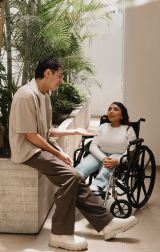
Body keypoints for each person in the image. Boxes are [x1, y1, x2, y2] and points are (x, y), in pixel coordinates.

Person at [9, 56, 138, 251]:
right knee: (71, 176)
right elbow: (31, 136)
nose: (61, 80)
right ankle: (60, 233)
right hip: (28, 150)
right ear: (47, 73)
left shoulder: (43, 95)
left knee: (76, 176)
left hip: (38, 146)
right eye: (59, 76)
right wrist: (59, 154)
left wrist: (75, 131)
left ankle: (107, 224)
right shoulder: (26, 95)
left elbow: (47, 131)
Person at [76, 102, 136, 192]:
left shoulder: (128, 129)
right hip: (100, 153)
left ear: (122, 115)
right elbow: (93, 146)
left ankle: (97, 185)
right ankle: (73, 181)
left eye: (116, 109)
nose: (111, 111)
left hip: (119, 155)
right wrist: (103, 157)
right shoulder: (103, 126)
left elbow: (131, 150)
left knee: (108, 166)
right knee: (84, 166)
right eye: (109, 109)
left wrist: (118, 160)